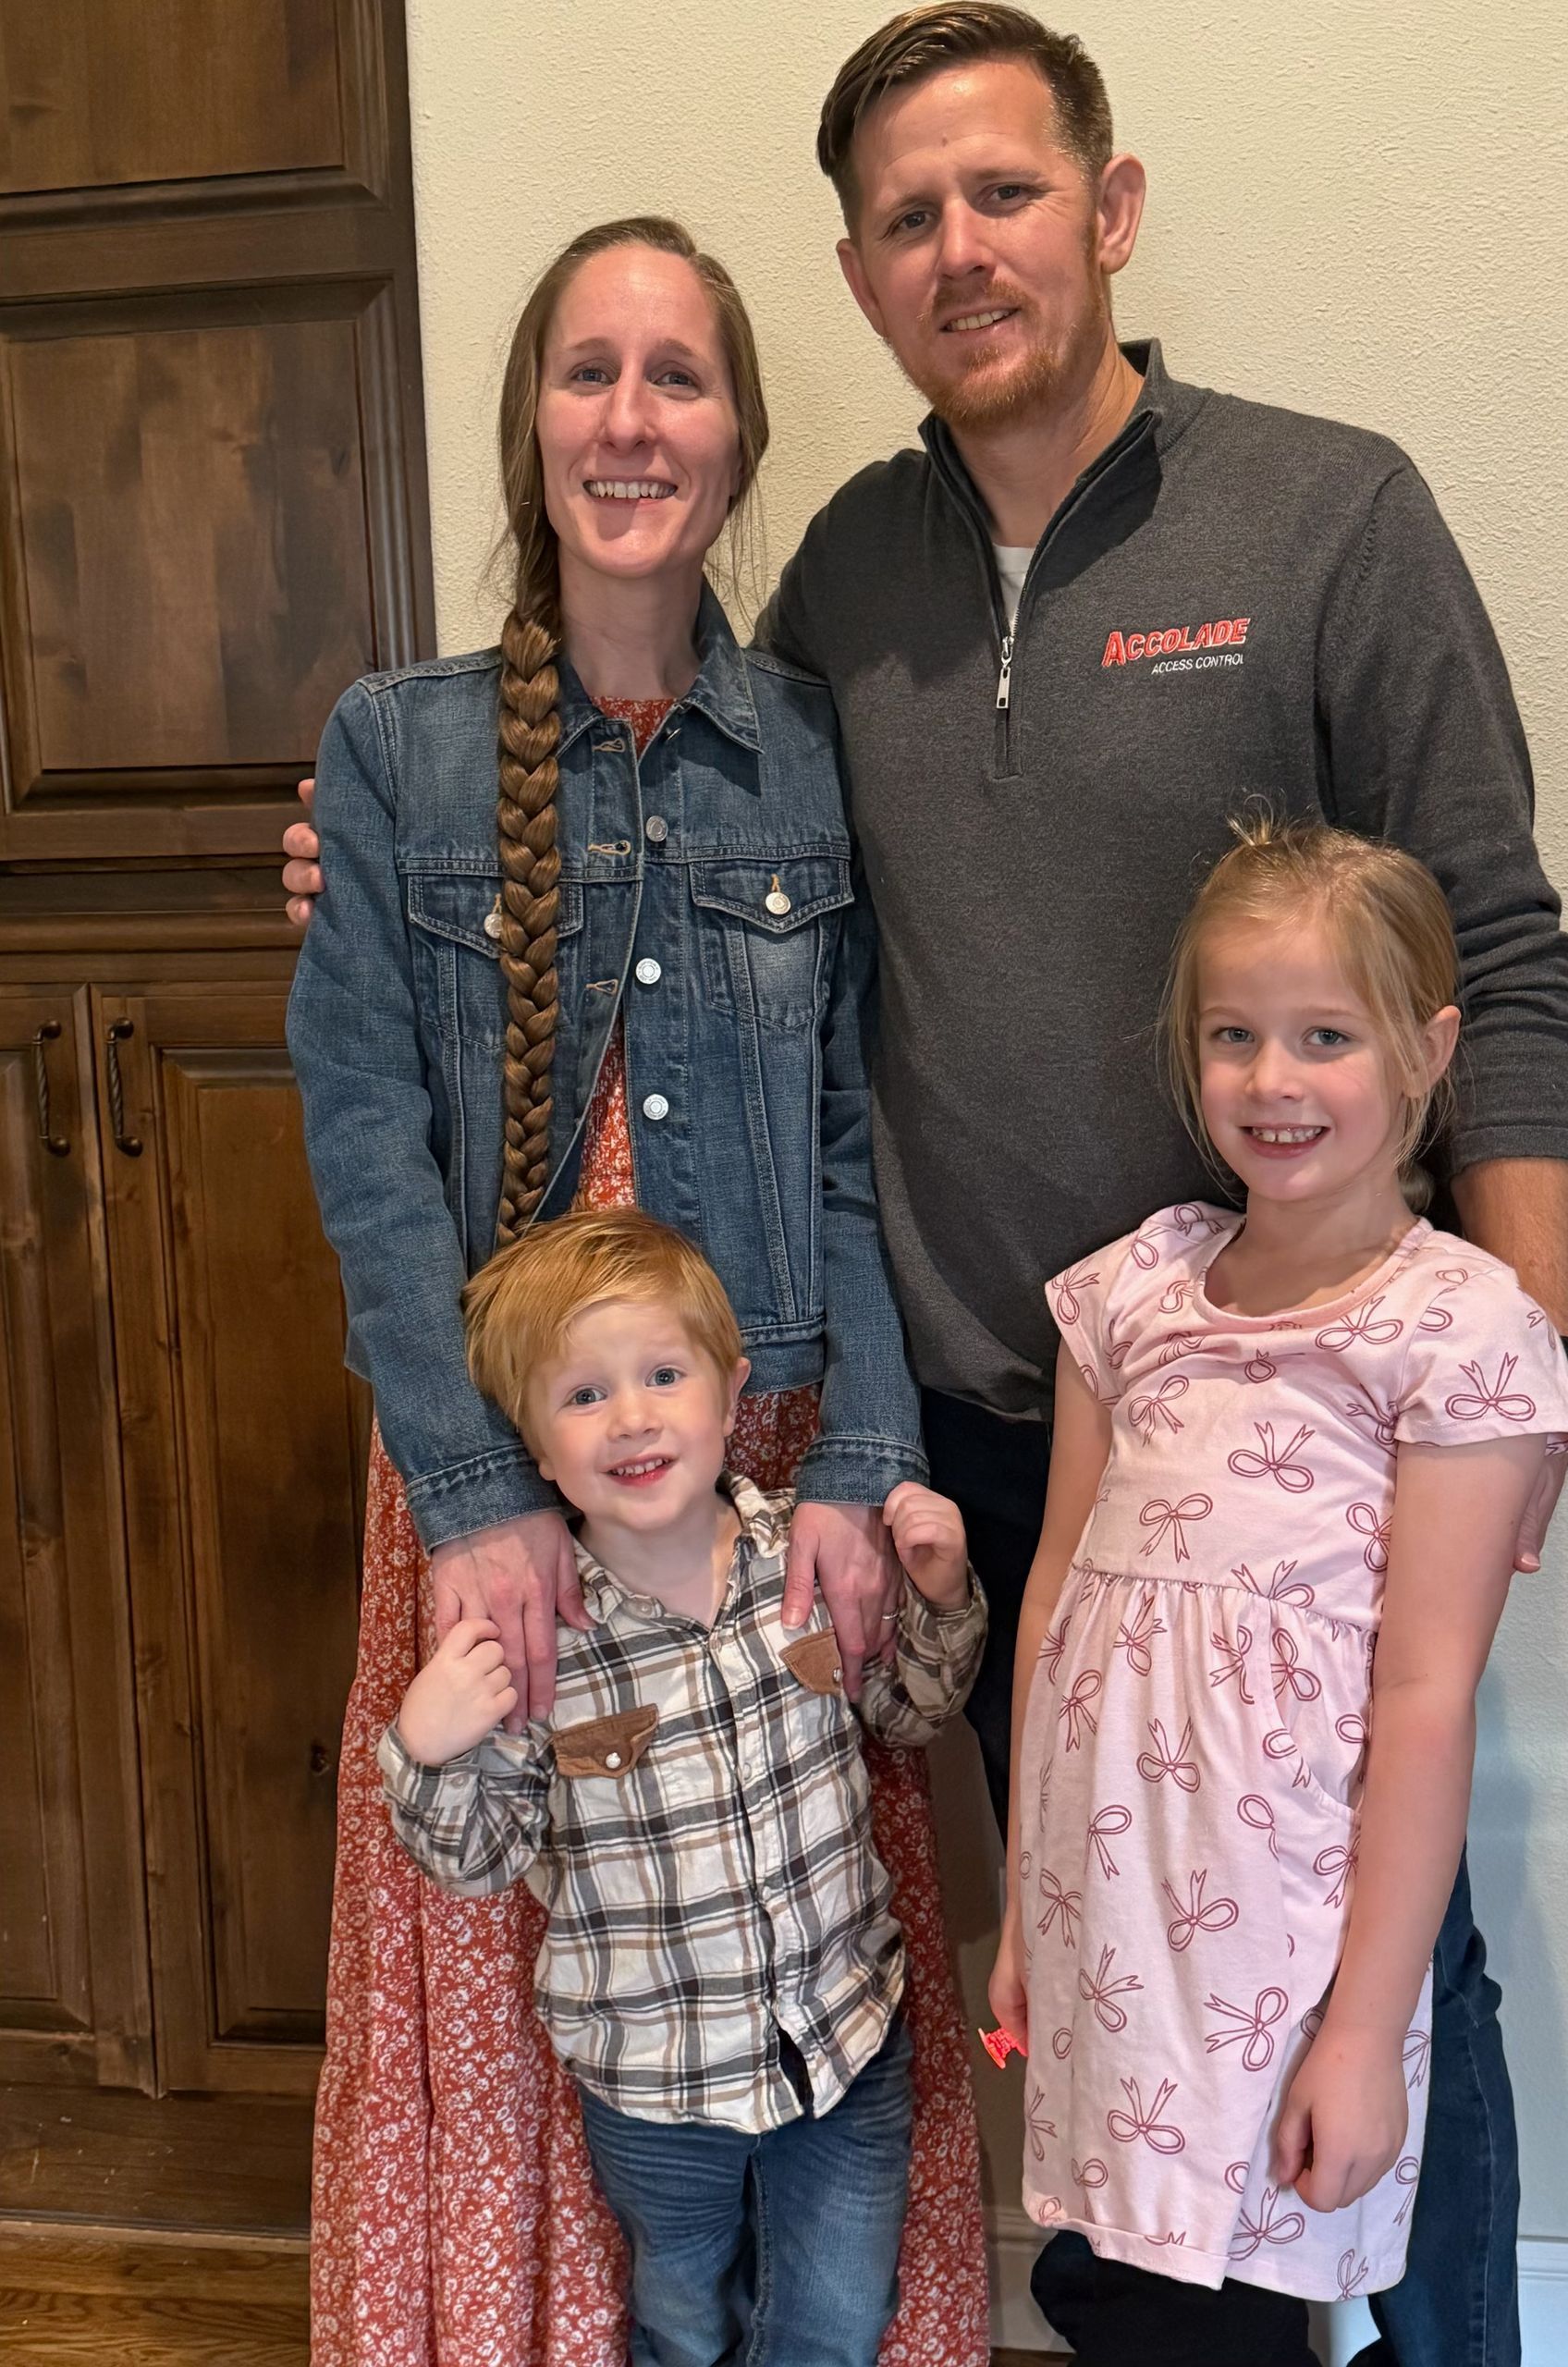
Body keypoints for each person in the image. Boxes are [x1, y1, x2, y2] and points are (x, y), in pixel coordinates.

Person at [284, 11, 1568, 2360]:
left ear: (1106, 211)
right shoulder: (835, 606)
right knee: (1094, 1938)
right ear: (862, 276)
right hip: (986, 1424)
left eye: (1003, 194)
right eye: (909, 217)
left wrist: (1525, 1382)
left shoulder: (1324, 513)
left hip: (1307, 1419)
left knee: (1387, 1951)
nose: (960, 249)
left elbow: (1493, 951)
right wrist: (355, 865)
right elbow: (654, 867)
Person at [286, 216, 987, 2367]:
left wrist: (863, 1459)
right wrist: (481, 1482)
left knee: (796, 1981)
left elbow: (856, 1138)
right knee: (535, 1962)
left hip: (759, 1451)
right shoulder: (397, 749)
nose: (629, 418)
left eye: (676, 376)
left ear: (739, 432)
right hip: (504, 1473)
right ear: (531, 419)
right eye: (587, 370)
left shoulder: (798, 740)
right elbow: (369, 1152)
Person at [987, 820, 1568, 2363]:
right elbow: (1059, 1597)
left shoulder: (1456, 1335)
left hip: (1285, 1971)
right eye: (1235, 1037)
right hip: (1106, 1933)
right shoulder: (1130, 1298)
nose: (1273, 1080)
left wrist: (1369, 2031)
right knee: (1114, 2289)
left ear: (1427, 1049)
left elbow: (1425, 1693)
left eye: (1326, 1038)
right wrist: (1026, 1913)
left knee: (1240, 2302)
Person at [382, 1206, 986, 2367]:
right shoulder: (535, 1642)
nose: (634, 1418)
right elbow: (480, 1857)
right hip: (652, 2083)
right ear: (533, 1444)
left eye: (663, 1373)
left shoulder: (801, 1569)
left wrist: (942, 1596)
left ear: (730, 1387)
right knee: (681, 2318)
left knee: (835, 2319)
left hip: (845, 2042)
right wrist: (428, 1743)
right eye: (584, 1395)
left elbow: (909, 1713)